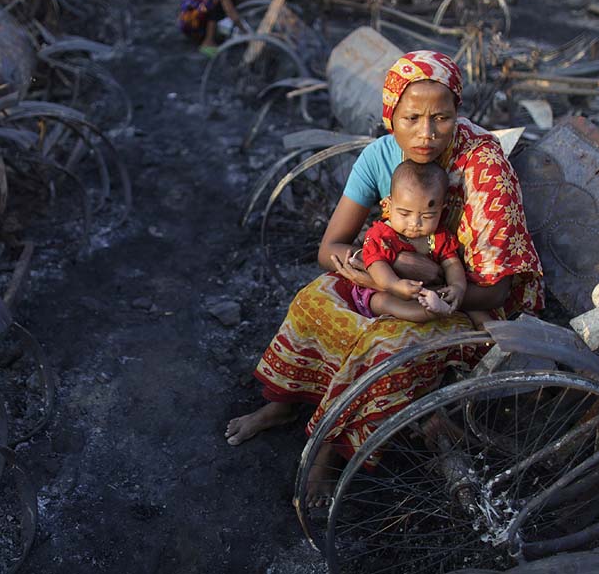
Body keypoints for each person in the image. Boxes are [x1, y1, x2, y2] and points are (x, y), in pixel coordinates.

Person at [225, 50, 544, 506]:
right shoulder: (380, 157)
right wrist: (386, 276)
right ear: (390, 113)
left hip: (473, 301)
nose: (426, 133)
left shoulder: (483, 169)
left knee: (384, 345)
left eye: (442, 117)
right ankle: (285, 402)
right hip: (393, 277)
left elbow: (499, 289)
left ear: (459, 113)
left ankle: (332, 451)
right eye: (411, 117)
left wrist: (433, 287)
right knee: (314, 298)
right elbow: (329, 249)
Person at [353, 158, 492, 330]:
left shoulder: (439, 235)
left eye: (427, 216)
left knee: (469, 306)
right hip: (385, 288)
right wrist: (394, 285)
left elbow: (452, 262)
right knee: (383, 302)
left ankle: (484, 328)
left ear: (442, 209)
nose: (415, 223)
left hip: (429, 291)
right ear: (389, 205)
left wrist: (457, 287)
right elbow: (376, 265)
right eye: (404, 214)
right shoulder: (382, 235)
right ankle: (428, 313)